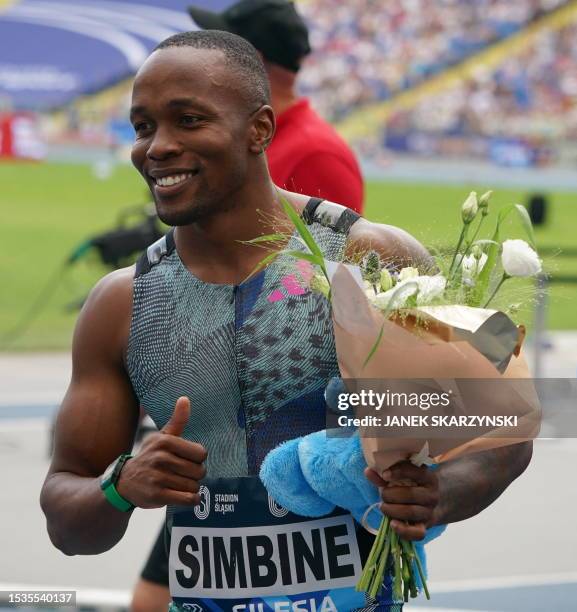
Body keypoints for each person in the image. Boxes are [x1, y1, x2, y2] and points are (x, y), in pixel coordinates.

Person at [41, 31, 532, 612]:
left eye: (189, 121)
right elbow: (66, 516)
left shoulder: (371, 257)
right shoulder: (120, 304)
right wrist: (118, 487)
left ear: (260, 130)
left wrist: (442, 492)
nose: (158, 147)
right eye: (143, 127)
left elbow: (512, 409)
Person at [187, 0, 364, 214]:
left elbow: (337, 247)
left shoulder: (316, 155)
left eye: (222, 50)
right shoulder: (253, 136)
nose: (209, 61)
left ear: (252, 60)